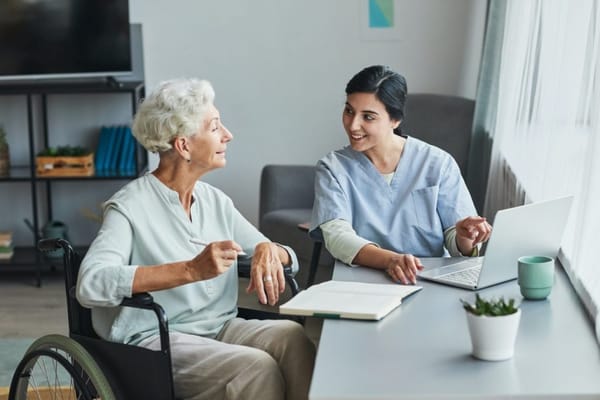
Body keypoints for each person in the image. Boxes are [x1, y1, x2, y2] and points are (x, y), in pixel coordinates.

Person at [77, 78, 315, 400]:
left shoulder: (215, 201)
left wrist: (266, 249)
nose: (228, 135)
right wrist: (190, 270)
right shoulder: (129, 206)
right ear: (184, 145)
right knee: (256, 366)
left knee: (293, 337)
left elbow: (286, 256)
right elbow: (91, 283)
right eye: (215, 127)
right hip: (157, 340)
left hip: (219, 328)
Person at [310, 65, 491, 285]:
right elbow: (338, 238)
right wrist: (391, 260)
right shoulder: (333, 168)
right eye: (349, 111)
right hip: (362, 281)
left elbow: (456, 243)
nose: (353, 125)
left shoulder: (437, 163)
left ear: (395, 121)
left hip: (429, 279)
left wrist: (464, 237)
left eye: (368, 117)